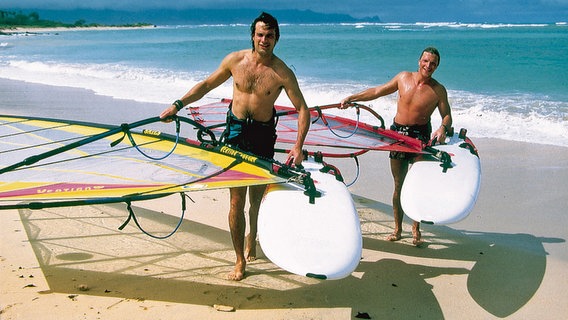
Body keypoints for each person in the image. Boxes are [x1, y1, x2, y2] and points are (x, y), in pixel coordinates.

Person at [160, 12, 310, 280]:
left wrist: (298, 146)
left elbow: (302, 109)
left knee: (256, 199)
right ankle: (240, 259)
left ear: (277, 39)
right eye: (260, 34)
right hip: (236, 134)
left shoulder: (281, 71)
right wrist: (178, 104)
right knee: (235, 200)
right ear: (253, 36)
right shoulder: (235, 61)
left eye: (270, 36)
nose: (265, 40)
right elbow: (206, 85)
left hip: (263, 136)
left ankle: (254, 233)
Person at [340, 47, 452, 246]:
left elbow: (447, 115)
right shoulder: (403, 78)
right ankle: (398, 229)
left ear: (437, 66)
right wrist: (352, 98)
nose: (428, 66)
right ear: (419, 61)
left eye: (433, 63)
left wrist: (442, 128)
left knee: (416, 185)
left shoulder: (438, 90)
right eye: (425, 61)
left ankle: (416, 229)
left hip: (420, 137)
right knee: (399, 185)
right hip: (398, 134)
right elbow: (377, 91)